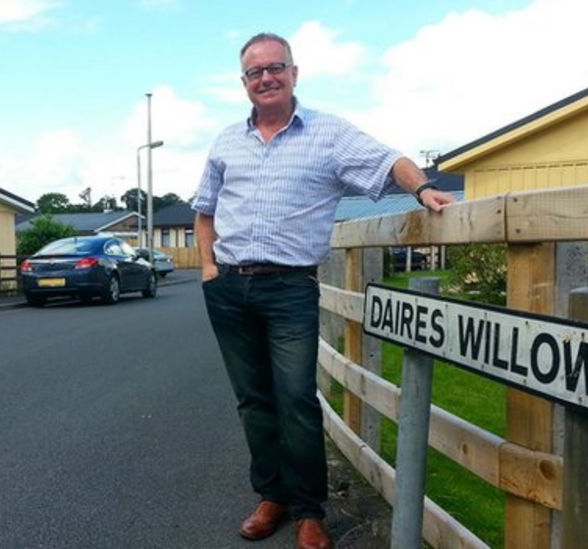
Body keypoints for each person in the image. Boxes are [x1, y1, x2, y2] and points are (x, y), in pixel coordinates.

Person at [192, 32, 453, 549]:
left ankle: (310, 511)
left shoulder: (329, 135)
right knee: (253, 400)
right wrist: (207, 268)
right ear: (243, 82)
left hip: (289, 289)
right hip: (229, 289)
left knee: (295, 400)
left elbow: (388, 161)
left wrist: (421, 187)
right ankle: (272, 497)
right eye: (255, 72)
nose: (266, 78)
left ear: (294, 72)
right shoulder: (226, 141)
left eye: (275, 68)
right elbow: (204, 211)